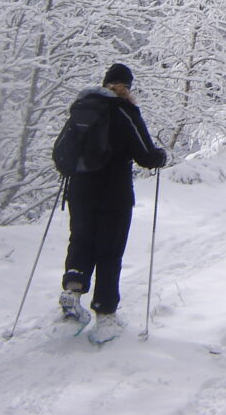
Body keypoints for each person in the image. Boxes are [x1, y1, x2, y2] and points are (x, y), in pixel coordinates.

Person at [59, 63, 167, 343]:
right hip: (114, 195)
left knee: (80, 240)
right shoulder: (124, 111)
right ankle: (105, 315)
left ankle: (72, 290)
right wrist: (160, 157)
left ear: (104, 82)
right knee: (109, 251)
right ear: (127, 87)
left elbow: (60, 154)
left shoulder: (82, 108)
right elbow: (145, 155)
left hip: (80, 191)